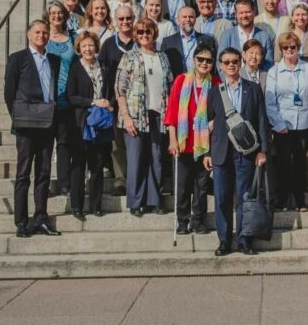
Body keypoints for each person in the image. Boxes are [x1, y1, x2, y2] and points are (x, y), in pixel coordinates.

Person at [206, 48, 270, 256]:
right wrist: (207, 152)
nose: (231, 65)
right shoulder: (214, 91)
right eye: (227, 62)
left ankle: (244, 240)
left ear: (240, 63)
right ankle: (224, 240)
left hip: (247, 151)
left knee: (244, 198)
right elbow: (207, 123)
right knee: (222, 198)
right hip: (221, 151)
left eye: (235, 61)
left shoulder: (253, 89)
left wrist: (263, 150)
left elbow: (261, 120)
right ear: (221, 65)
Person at [4, 20, 61, 238]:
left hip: (47, 122)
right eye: (37, 32)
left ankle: (41, 217)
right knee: (23, 173)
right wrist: (19, 115)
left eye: (45, 32)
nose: (42, 35)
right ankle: (21, 221)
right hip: (26, 123)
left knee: (44, 173)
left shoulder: (53, 60)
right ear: (29, 34)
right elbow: (9, 92)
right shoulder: (18, 59)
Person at [115, 17, 174, 217]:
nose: (144, 35)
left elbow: (170, 85)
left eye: (148, 31)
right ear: (135, 35)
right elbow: (119, 89)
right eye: (140, 32)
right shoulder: (129, 57)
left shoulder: (163, 57)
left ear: (154, 33)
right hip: (135, 114)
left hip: (158, 114)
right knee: (136, 158)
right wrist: (126, 116)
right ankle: (136, 201)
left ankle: (154, 200)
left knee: (156, 158)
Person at [164, 43, 221, 235]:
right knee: (182, 185)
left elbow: (220, 114)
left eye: (208, 60)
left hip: (205, 144)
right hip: (183, 141)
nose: (204, 63)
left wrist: (213, 123)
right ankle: (182, 220)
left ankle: (199, 220)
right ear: (194, 60)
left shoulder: (216, 83)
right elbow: (172, 112)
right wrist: (172, 140)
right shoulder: (181, 81)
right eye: (200, 59)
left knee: (201, 186)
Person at [266, 32, 308, 212]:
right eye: (285, 47)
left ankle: (300, 200)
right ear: (281, 50)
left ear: (298, 48)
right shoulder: (274, 71)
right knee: (283, 163)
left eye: (293, 47)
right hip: (283, 125)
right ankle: (283, 200)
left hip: (304, 123)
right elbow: (270, 102)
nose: (289, 50)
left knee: (300, 162)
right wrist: (278, 124)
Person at [66, 30, 114, 219]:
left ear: (96, 47)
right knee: (78, 166)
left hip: (100, 123)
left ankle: (96, 205)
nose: (88, 49)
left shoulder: (103, 66)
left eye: (91, 45)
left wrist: (109, 103)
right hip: (81, 123)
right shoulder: (76, 68)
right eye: (84, 45)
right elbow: (71, 97)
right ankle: (76, 206)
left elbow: (110, 90)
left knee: (98, 164)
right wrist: (93, 102)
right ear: (79, 48)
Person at [98, 5, 136, 196]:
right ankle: (120, 180)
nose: (125, 22)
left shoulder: (142, 39)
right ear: (115, 21)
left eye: (128, 18)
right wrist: (107, 100)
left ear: (134, 18)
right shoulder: (108, 45)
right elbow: (103, 75)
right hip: (115, 102)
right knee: (118, 144)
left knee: (137, 143)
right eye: (121, 19)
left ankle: (136, 178)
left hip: (138, 101)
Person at [44, 0, 77, 197]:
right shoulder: (42, 36)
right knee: (45, 144)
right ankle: (44, 182)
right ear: (47, 15)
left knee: (64, 143)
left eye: (60, 13)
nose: (57, 16)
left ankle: (64, 183)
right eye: (53, 12)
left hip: (67, 96)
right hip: (46, 98)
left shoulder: (72, 36)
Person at [219, 0, 275, 70]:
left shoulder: (264, 37)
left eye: (248, 12)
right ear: (236, 14)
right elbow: (219, 62)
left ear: (254, 12)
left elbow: (269, 64)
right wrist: (230, 80)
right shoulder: (226, 35)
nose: (244, 16)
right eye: (241, 13)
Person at [160, 6, 211, 79]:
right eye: (184, 17)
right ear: (177, 20)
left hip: (201, 83)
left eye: (191, 17)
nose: (188, 19)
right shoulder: (168, 42)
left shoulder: (207, 40)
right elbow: (163, 68)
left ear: (195, 20)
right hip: (177, 84)